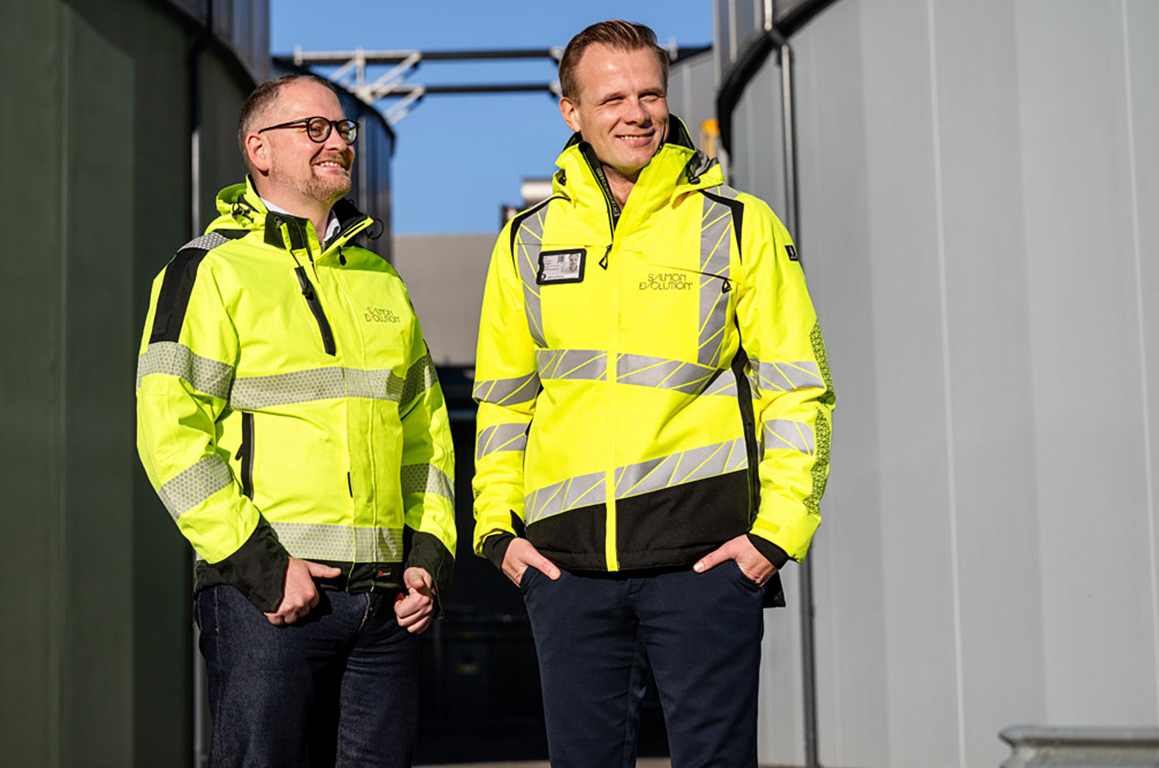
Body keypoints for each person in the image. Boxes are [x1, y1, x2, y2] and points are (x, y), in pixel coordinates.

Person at [471, 20, 834, 768]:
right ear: (570, 110)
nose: (636, 114)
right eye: (611, 99)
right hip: (565, 571)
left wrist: (776, 536)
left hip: (707, 565)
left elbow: (798, 390)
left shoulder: (736, 224)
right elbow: (507, 401)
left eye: (650, 95)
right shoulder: (526, 243)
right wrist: (498, 533)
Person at [136, 74, 456, 768]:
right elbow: (168, 431)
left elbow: (426, 435)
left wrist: (426, 558)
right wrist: (262, 566)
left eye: (343, 129)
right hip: (269, 602)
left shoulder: (380, 280)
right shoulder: (210, 271)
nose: (338, 140)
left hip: (383, 608)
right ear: (259, 149)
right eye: (315, 128)